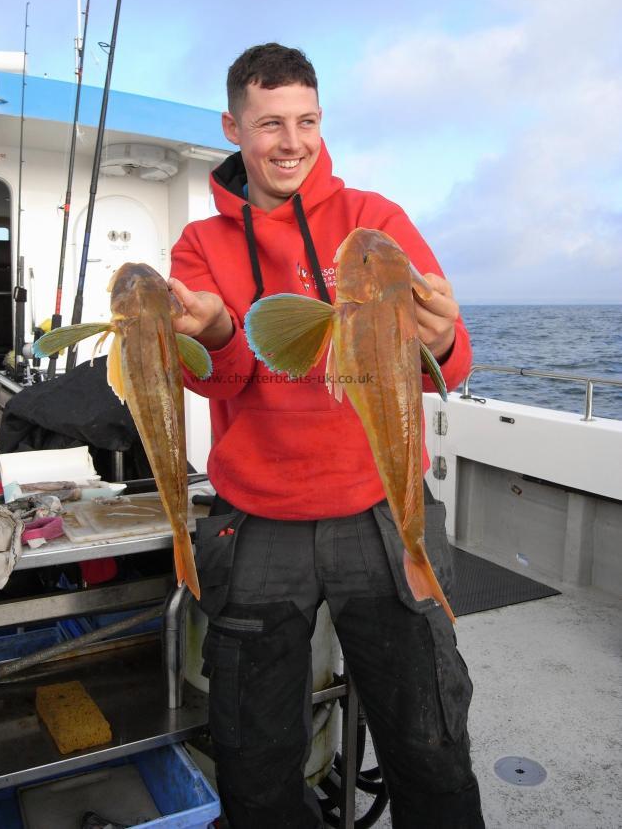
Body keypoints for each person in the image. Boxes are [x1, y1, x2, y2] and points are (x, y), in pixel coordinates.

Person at [169, 43, 484, 828]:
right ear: (232, 127)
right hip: (258, 522)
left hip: (375, 509)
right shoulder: (201, 246)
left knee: (429, 737)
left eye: (306, 120)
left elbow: (443, 361)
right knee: (253, 750)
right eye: (270, 122)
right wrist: (213, 332)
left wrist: (441, 338)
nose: (291, 142)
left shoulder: (373, 222)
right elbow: (217, 380)